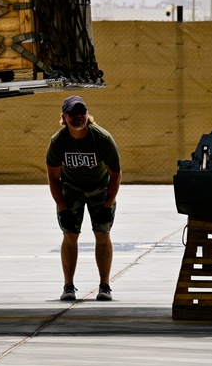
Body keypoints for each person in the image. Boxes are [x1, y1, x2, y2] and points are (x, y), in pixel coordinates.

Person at [46, 95, 122, 302]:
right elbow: (53, 177)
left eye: (82, 112)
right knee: (70, 234)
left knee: (102, 233)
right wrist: (62, 206)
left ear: (88, 115)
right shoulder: (59, 141)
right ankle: (68, 285)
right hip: (71, 189)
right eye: (73, 113)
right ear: (64, 117)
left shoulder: (102, 138)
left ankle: (105, 286)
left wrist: (108, 204)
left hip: (100, 188)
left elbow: (115, 174)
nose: (78, 116)